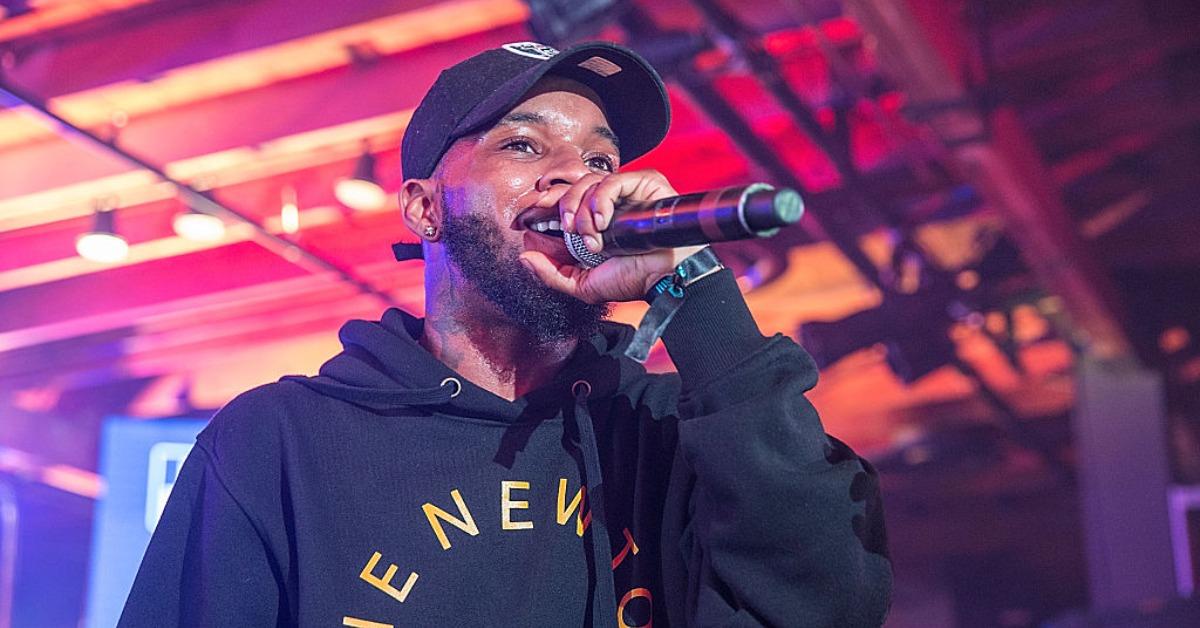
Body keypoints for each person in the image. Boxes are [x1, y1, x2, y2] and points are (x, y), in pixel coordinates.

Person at [118, 41, 892, 627]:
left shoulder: (664, 429)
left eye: (599, 156)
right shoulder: (280, 441)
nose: (574, 176)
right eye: (524, 145)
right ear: (425, 209)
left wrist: (695, 290)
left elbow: (833, 596)